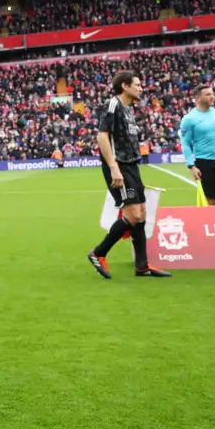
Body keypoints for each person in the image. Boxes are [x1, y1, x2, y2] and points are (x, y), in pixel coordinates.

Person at [87, 71, 171, 279]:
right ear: (124, 86)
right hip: (120, 167)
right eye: (137, 84)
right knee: (132, 214)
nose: (141, 88)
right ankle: (98, 253)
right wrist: (114, 167)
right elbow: (102, 136)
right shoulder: (113, 105)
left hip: (131, 166)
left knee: (141, 212)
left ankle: (142, 266)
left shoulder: (129, 110)